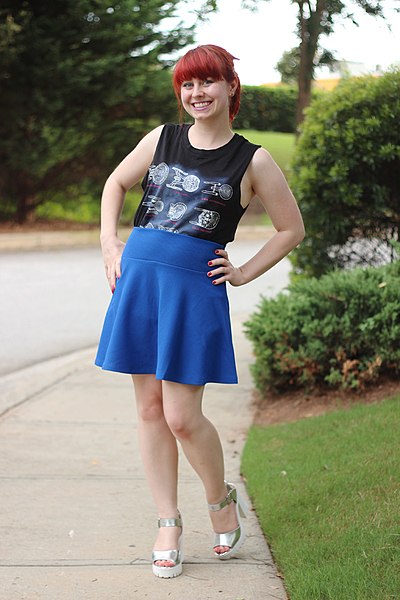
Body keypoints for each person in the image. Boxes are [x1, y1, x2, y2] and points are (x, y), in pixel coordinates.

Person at [95, 44, 305, 579]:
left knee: (181, 416)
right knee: (148, 411)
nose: (197, 94)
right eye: (188, 85)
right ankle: (168, 521)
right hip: (139, 283)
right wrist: (110, 246)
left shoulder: (252, 159)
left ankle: (219, 499)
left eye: (208, 82)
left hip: (193, 294)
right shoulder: (161, 139)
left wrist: (243, 272)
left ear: (230, 87)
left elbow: (291, 229)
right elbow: (116, 184)